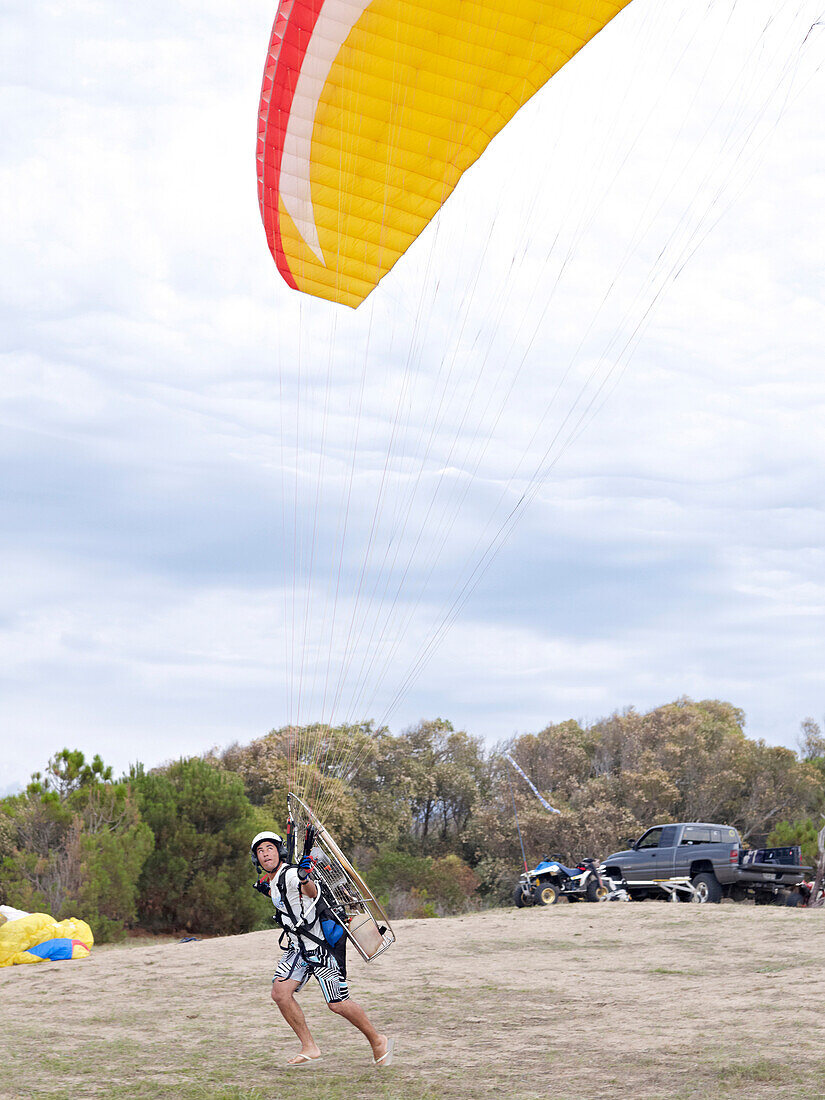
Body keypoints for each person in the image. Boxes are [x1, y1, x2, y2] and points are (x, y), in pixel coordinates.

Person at [250, 830, 395, 1068]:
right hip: (298, 949)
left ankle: (378, 1040)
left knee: (337, 1004)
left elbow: (311, 892)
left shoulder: (292, 874)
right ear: (257, 859)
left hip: (320, 949)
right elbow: (292, 903)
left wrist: (305, 878)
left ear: (280, 851)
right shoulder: (275, 881)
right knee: (280, 993)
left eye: (270, 848)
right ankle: (310, 1047)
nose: (266, 854)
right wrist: (268, 892)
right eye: (260, 851)